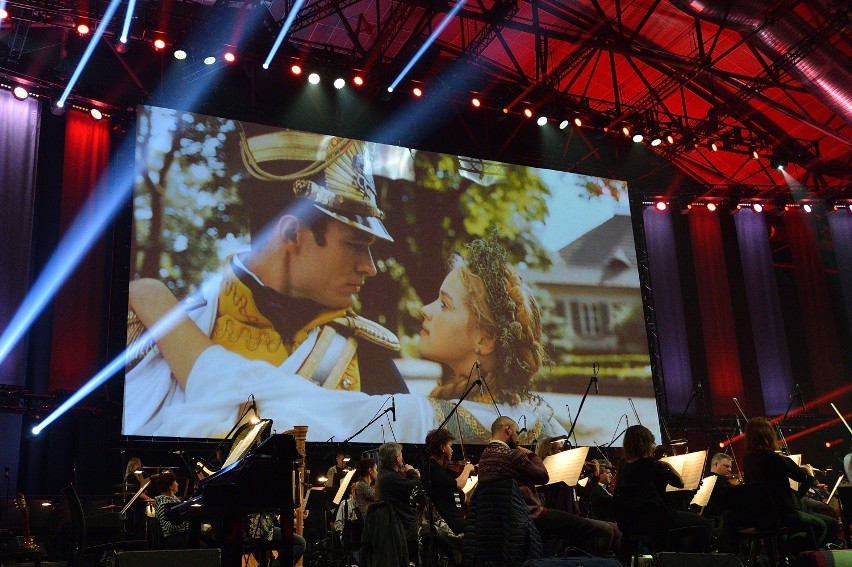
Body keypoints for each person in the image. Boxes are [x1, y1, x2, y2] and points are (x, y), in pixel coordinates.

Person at [123, 235, 565, 442]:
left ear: (485, 341)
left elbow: (274, 399)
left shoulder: (424, 418)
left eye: (445, 304)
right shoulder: (545, 421)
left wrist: (156, 302)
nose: (424, 310)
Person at [125, 131, 408, 437]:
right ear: (290, 234)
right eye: (354, 245)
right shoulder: (159, 333)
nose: (370, 267)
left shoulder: (369, 356)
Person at [479, 417, 618, 557]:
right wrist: (531, 454)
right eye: (516, 432)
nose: (519, 440)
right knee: (606, 530)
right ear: (507, 429)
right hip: (533, 516)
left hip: (512, 516)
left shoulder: (485, 456)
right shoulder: (513, 455)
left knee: (599, 528)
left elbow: (583, 492)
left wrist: (593, 476)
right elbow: (543, 476)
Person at [615, 424, 711, 553]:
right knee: (706, 524)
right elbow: (680, 483)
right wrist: (669, 466)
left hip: (631, 522)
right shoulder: (651, 465)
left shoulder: (622, 465)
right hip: (659, 520)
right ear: (646, 444)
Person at [742, 417, 832, 549]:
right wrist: (786, 460)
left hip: (761, 517)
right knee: (822, 525)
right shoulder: (772, 457)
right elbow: (800, 476)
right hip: (781, 515)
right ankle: (798, 555)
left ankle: (791, 552)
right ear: (768, 434)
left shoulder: (747, 460)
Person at [423, 428, 475, 536]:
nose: (452, 450)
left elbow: (466, 499)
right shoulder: (432, 468)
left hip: (456, 519)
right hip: (448, 524)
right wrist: (467, 468)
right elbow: (458, 484)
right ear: (442, 447)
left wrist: (478, 483)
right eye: (450, 446)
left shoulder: (443, 472)